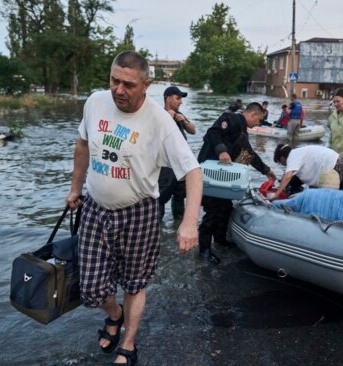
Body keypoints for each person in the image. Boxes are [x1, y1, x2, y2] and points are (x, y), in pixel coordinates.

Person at [65, 51, 203, 365]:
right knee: (91, 288)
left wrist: (189, 222)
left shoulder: (160, 121)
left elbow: (192, 171)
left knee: (134, 282)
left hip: (138, 212)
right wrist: (75, 188)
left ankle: (128, 343)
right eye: (114, 80)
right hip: (95, 208)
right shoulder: (95, 102)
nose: (118, 90)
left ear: (146, 85)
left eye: (128, 84)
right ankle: (114, 315)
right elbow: (83, 144)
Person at [197, 102, 277, 264]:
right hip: (208, 175)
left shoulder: (243, 134)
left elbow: (249, 156)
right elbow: (212, 132)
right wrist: (222, 151)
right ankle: (204, 249)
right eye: (259, 120)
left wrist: (266, 170)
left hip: (223, 178)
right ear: (253, 115)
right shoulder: (231, 119)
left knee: (225, 207)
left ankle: (220, 240)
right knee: (212, 211)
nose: (258, 124)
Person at [271, 171, 343, 226]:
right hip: (341, 241)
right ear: (338, 183)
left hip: (308, 236)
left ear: (319, 182)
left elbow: (284, 204)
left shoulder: (308, 193)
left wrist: (271, 201)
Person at [158, 86, 197, 220]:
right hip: (165, 165)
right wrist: (167, 118)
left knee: (180, 196)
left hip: (181, 164)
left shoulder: (179, 114)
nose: (181, 102)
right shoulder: (159, 114)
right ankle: (158, 229)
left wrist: (184, 121)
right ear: (168, 99)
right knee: (160, 197)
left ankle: (178, 224)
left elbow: (193, 131)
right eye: (178, 98)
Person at [269, 144, 343, 198]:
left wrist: (276, 194)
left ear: (282, 158)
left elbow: (288, 176)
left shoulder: (292, 156)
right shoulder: (298, 153)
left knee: (324, 197)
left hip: (334, 165)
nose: (282, 164)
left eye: (280, 162)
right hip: (338, 162)